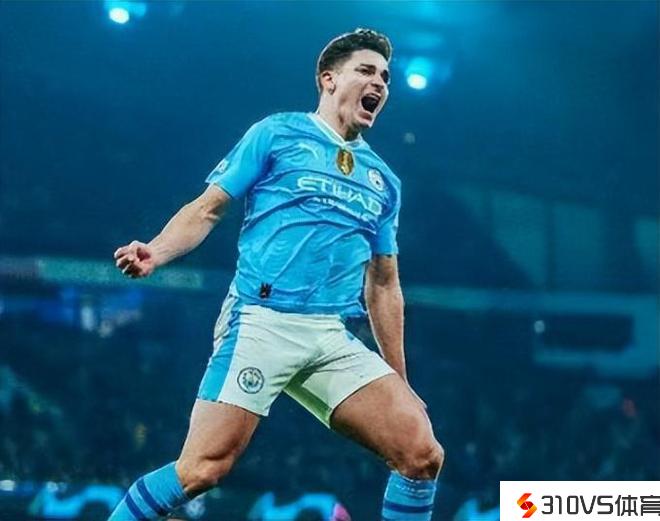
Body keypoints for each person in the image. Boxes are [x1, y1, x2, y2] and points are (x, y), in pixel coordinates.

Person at [109, 28, 444, 521]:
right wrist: (155, 251)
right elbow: (207, 208)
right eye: (366, 71)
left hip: (330, 334)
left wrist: (399, 378)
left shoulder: (383, 181)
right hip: (260, 322)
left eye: (386, 77)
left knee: (421, 453)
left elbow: (383, 283)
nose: (380, 83)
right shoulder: (277, 133)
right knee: (202, 469)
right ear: (329, 79)